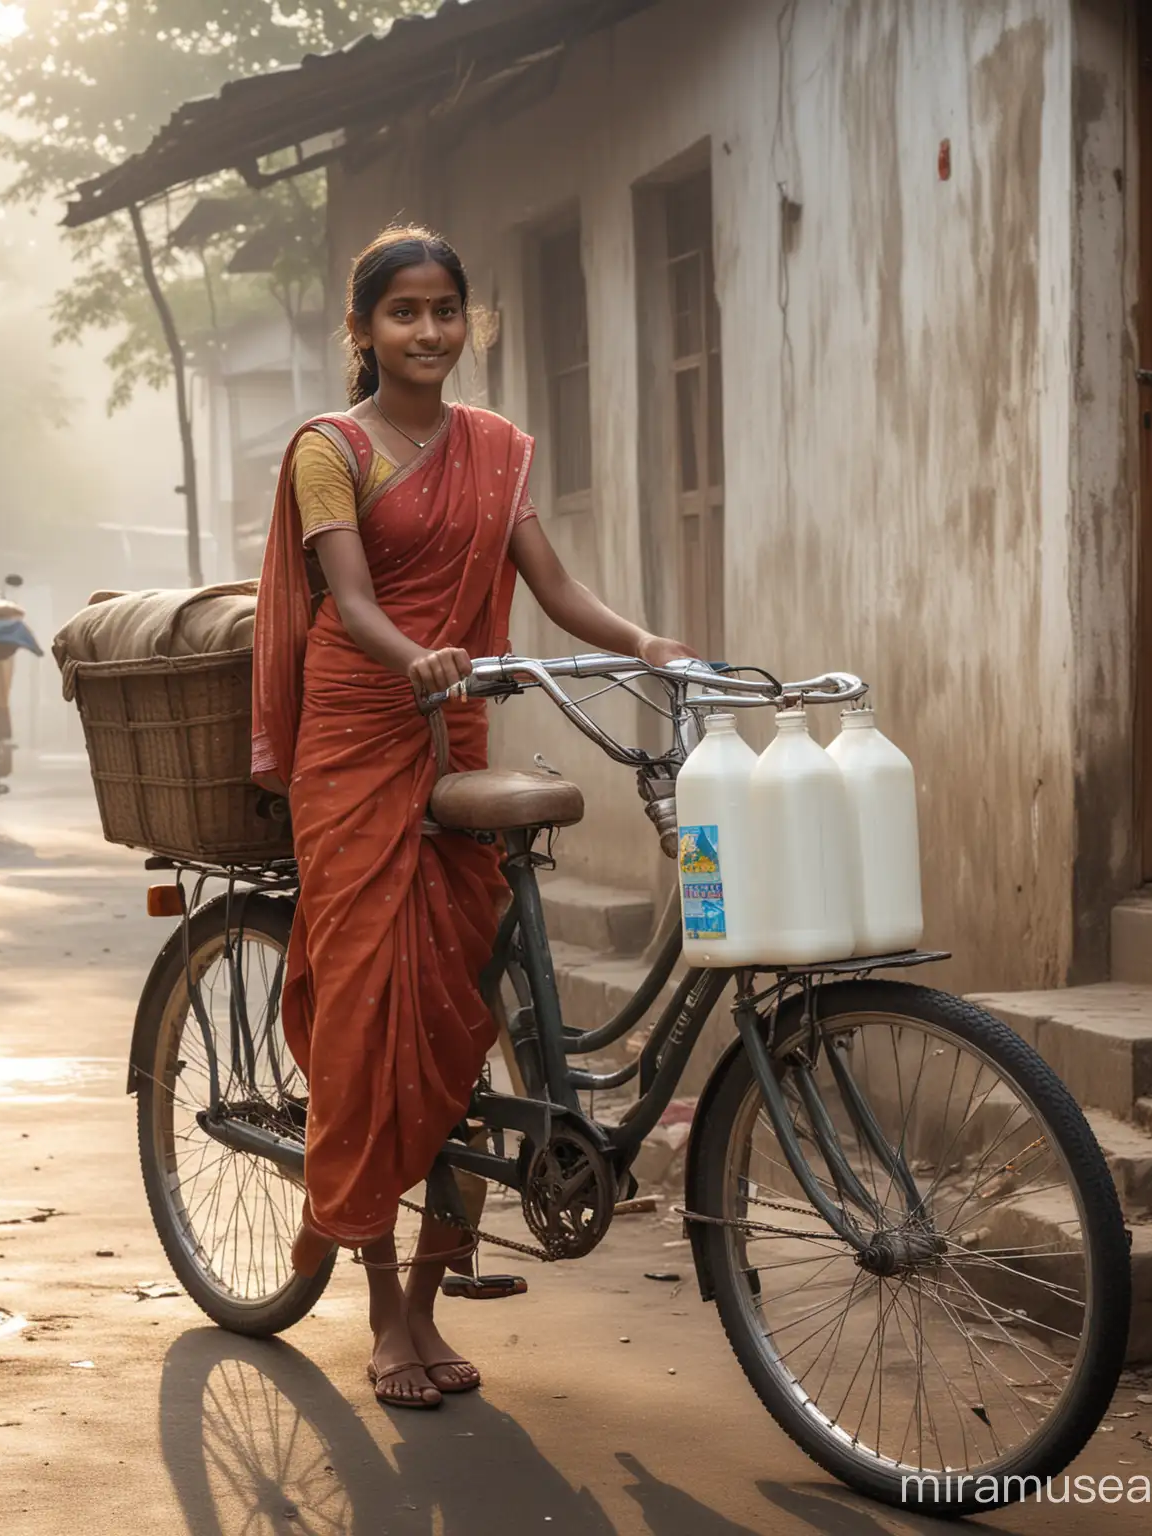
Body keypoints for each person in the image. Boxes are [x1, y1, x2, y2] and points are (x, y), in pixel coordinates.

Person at [251, 226, 694, 1410]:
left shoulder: (495, 449)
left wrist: (644, 643)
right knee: (368, 1016)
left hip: (453, 726)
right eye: (404, 311)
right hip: (358, 730)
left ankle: (435, 1304)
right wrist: (421, 657)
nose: (429, 331)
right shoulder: (329, 450)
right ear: (364, 329)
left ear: (469, 321)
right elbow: (348, 602)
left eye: (446, 310)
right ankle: (384, 1311)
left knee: (453, 1024)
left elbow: (554, 588)